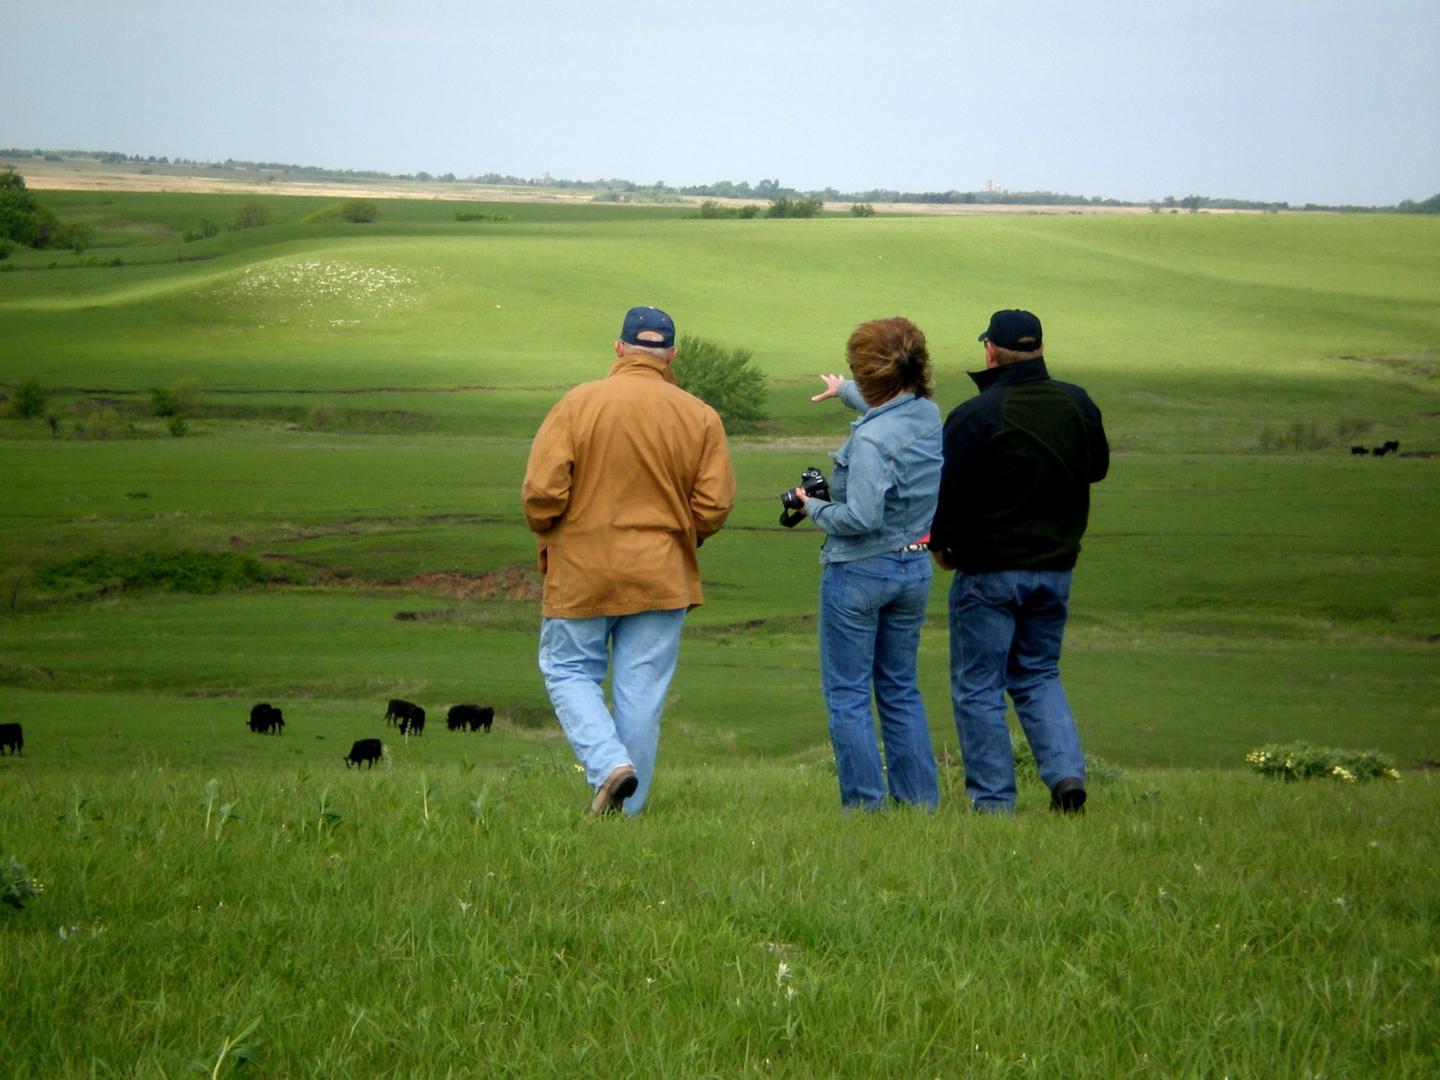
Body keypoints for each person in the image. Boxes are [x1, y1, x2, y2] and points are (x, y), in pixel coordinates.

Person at [522, 306, 735, 815]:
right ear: (671, 355)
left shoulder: (577, 404)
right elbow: (715, 505)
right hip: (662, 572)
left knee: (569, 669)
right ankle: (626, 814)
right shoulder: (700, 415)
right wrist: (680, 536)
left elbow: (542, 494)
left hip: (583, 570)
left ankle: (608, 766)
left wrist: (555, 530)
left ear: (619, 349)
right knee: (641, 691)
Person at [929, 309, 1109, 814]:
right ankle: (1067, 777)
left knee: (979, 687)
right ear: (1042, 348)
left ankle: (992, 802)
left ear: (990, 351)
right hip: (1056, 567)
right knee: (1038, 674)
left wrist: (943, 546)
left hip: (988, 571)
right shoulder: (1078, 403)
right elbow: (1096, 468)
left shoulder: (977, 414)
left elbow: (948, 494)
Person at [794, 316, 943, 810]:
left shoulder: (872, 443)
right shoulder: (927, 415)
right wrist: (845, 393)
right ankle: (919, 803)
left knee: (848, 695)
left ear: (871, 373)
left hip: (860, 571)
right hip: (914, 569)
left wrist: (811, 506)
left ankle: (864, 808)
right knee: (900, 689)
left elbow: (859, 516)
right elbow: (887, 407)